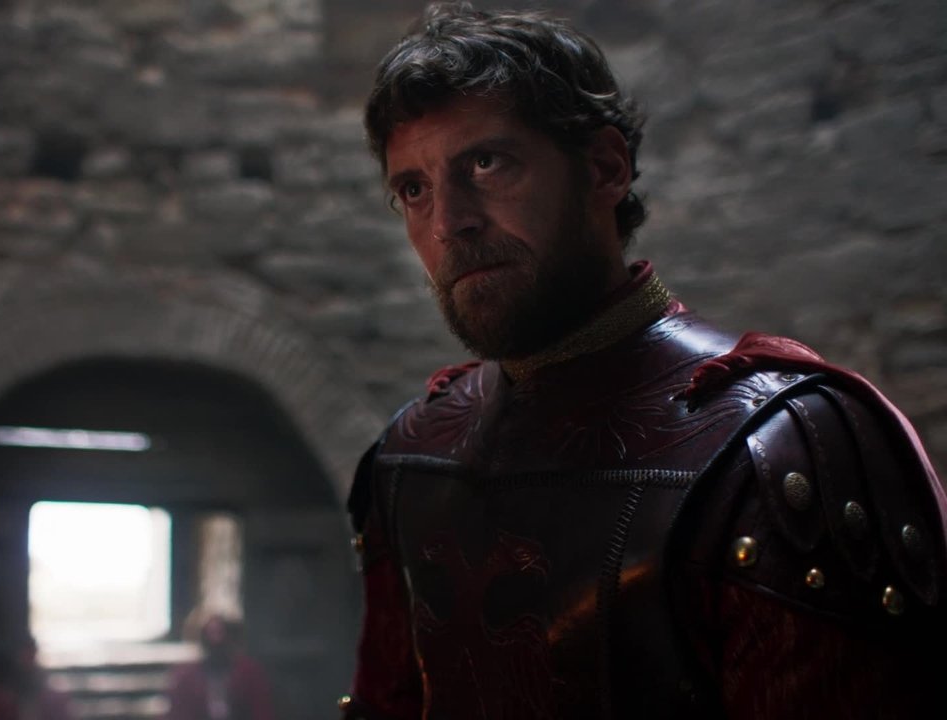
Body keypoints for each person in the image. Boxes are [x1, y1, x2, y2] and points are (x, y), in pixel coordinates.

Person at [339, 3, 947, 718]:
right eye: (414, 189)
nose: (449, 222)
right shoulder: (411, 458)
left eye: (486, 162)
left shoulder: (776, 450)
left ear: (605, 168)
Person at [165, 613, 276, 720]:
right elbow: (178, 714)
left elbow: (262, 711)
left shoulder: (249, 673)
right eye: (211, 634)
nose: (216, 640)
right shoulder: (186, 677)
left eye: (220, 633)